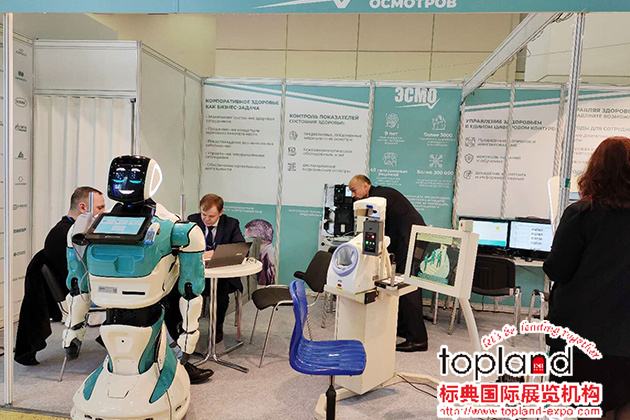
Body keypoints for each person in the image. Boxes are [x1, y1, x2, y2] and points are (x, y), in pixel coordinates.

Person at [544, 136, 630, 419]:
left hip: (583, 336)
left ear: (595, 170)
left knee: (590, 408)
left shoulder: (581, 214)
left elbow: (558, 269)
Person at [15, 186, 105, 365]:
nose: (104, 212)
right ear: (83, 208)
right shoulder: (66, 235)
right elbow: (80, 275)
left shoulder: (69, 231)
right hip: (78, 291)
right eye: (100, 207)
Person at [348, 175, 428, 352]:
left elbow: (378, 228)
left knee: (409, 286)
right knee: (400, 283)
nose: (352, 195)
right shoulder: (380, 197)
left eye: (354, 190)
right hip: (406, 239)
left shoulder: (378, 198)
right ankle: (403, 328)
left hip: (411, 239)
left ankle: (418, 339)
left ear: (366, 185)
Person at [188, 194, 245, 343]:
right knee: (179, 289)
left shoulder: (231, 224)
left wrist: (215, 253)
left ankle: (217, 326)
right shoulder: (193, 221)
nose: (206, 219)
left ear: (220, 212)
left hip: (222, 276)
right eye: (204, 214)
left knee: (221, 291)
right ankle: (186, 326)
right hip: (197, 273)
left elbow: (240, 248)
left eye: (211, 216)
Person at [244, 219, 276, 286]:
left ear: (255, 237)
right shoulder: (266, 254)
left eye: (245, 236)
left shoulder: (269, 259)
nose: (244, 239)